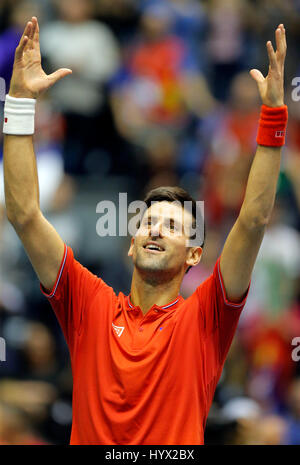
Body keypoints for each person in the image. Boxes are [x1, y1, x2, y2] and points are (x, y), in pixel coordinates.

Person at [2, 17, 288, 445]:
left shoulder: (206, 317)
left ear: (194, 255)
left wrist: (272, 118)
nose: (155, 229)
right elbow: (23, 213)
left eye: (172, 226)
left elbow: (252, 220)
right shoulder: (89, 305)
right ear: (132, 244)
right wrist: (20, 101)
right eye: (148, 221)